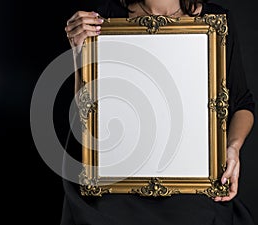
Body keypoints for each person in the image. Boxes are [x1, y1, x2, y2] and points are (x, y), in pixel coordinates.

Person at [62, 0, 256, 224]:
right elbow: (89, 110)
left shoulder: (215, 20)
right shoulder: (102, 18)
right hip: (121, 177)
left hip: (192, 178)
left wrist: (233, 147)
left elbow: (242, 103)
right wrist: (79, 54)